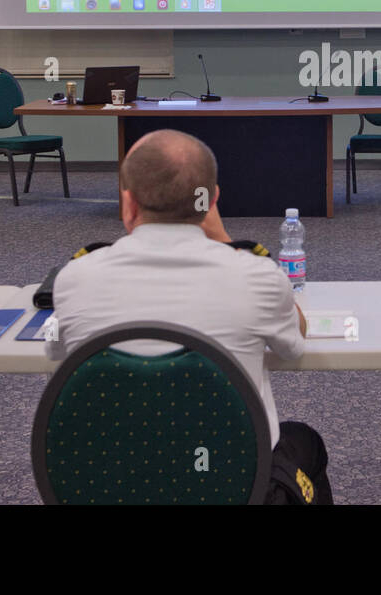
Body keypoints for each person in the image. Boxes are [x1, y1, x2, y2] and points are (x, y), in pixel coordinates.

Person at [47, 128, 333, 504]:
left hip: (110, 482)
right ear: (211, 201)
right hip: (226, 481)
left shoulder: (75, 279)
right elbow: (294, 343)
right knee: (303, 441)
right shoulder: (256, 276)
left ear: (128, 204)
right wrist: (225, 240)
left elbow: (58, 354)